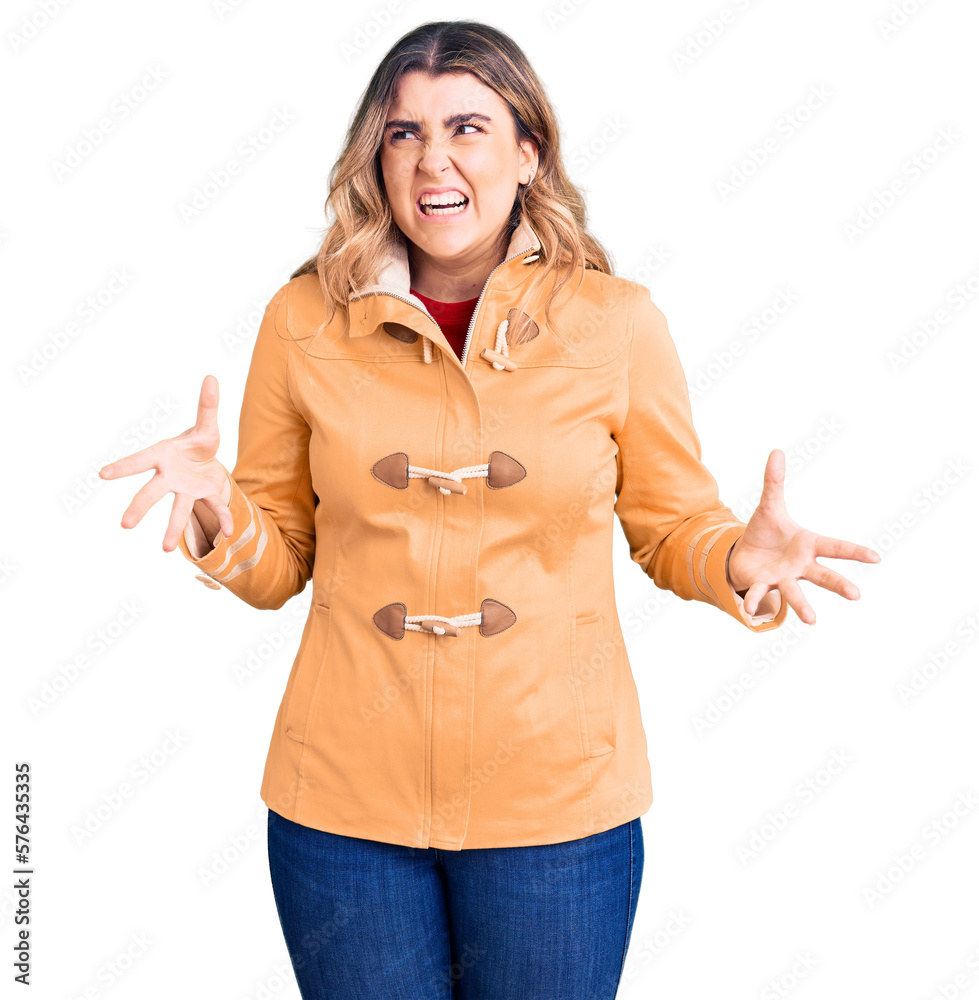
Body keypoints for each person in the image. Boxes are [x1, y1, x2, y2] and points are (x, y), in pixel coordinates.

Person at [98, 19, 880, 1000]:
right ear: (375, 158)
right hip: (341, 811)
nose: (433, 159)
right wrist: (220, 512)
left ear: (527, 151)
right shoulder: (302, 321)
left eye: (467, 127)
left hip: (556, 810)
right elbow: (279, 560)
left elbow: (673, 525)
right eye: (404, 133)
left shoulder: (616, 323)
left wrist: (733, 560)